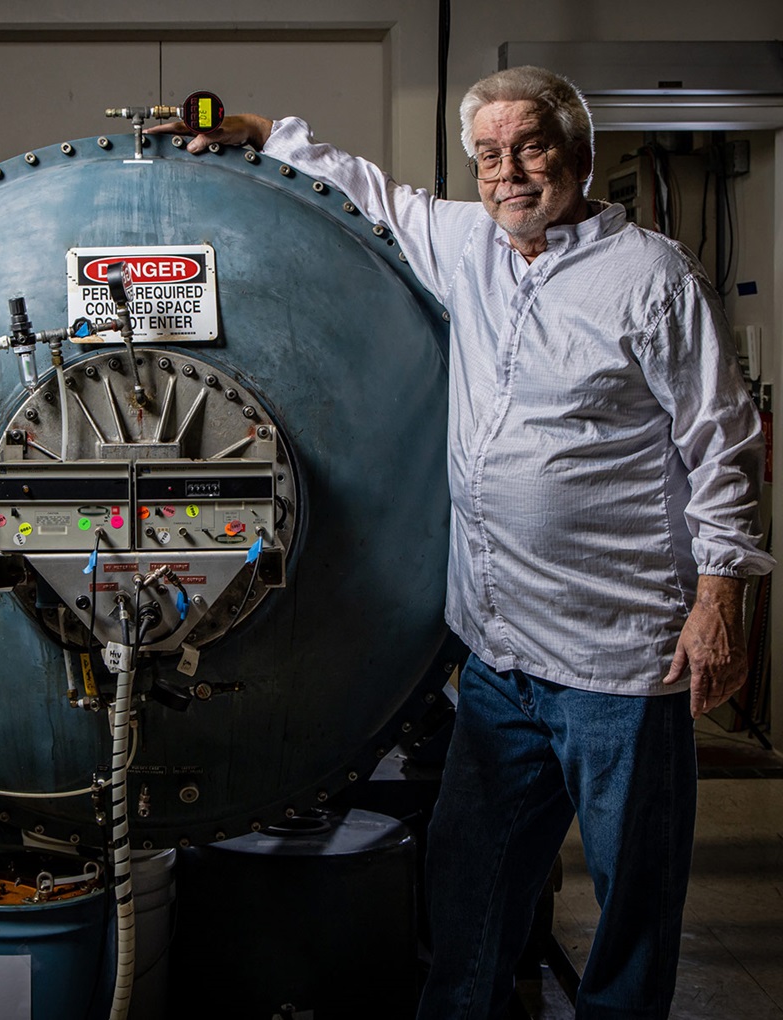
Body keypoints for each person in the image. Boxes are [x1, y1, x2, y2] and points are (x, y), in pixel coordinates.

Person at [149, 66, 775, 1019]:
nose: (508, 173)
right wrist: (257, 130)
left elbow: (723, 441)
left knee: (632, 904)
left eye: (531, 148)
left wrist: (720, 599)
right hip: (499, 657)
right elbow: (369, 189)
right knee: (468, 884)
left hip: (621, 662)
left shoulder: (649, 277)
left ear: (579, 154)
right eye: (488, 154)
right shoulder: (473, 244)